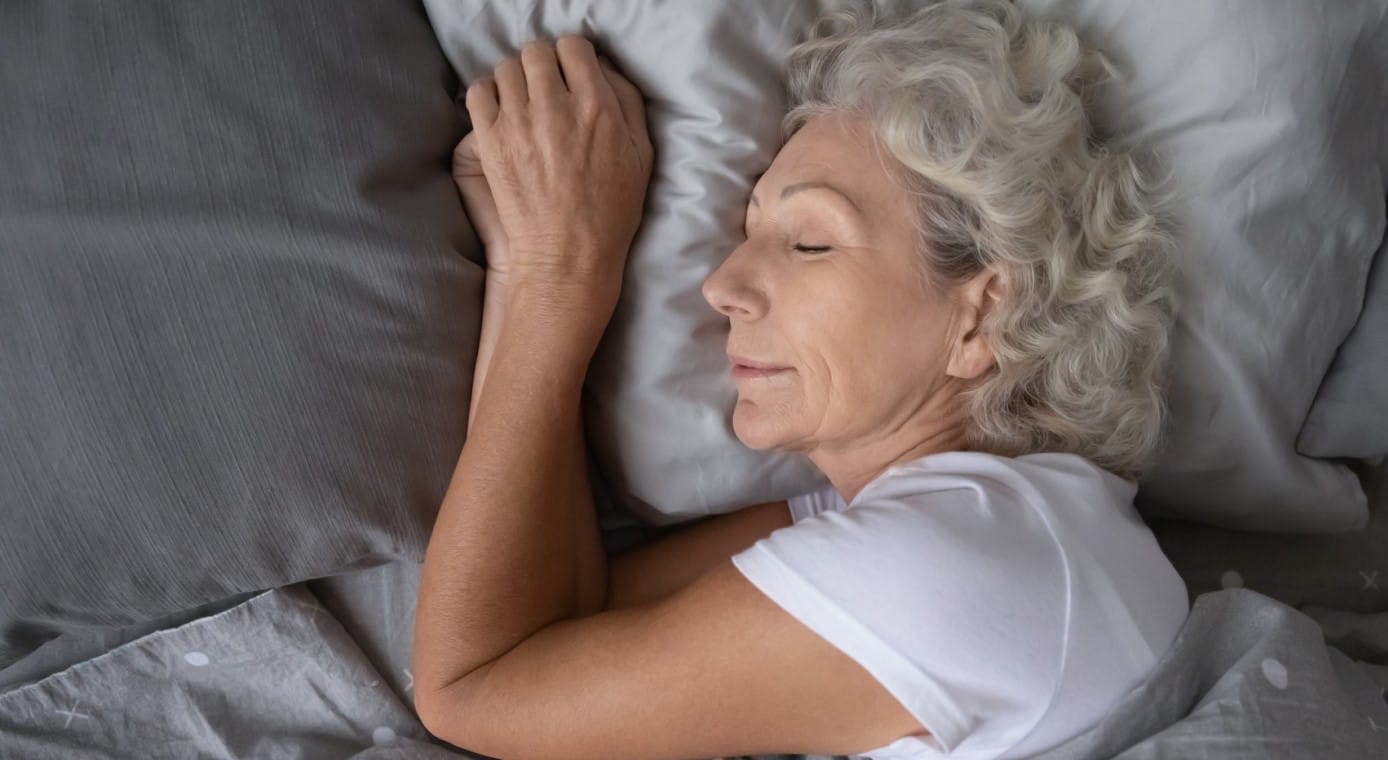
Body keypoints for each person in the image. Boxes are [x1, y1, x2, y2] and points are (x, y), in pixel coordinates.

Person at [411, 1, 1189, 758]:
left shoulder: (942, 568)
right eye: (749, 233)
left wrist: (561, 278)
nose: (723, 284)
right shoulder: (990, 524)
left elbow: (475, 685)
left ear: (981, 317)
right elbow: (570, 621)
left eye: (810, 243)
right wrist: (523, 266)